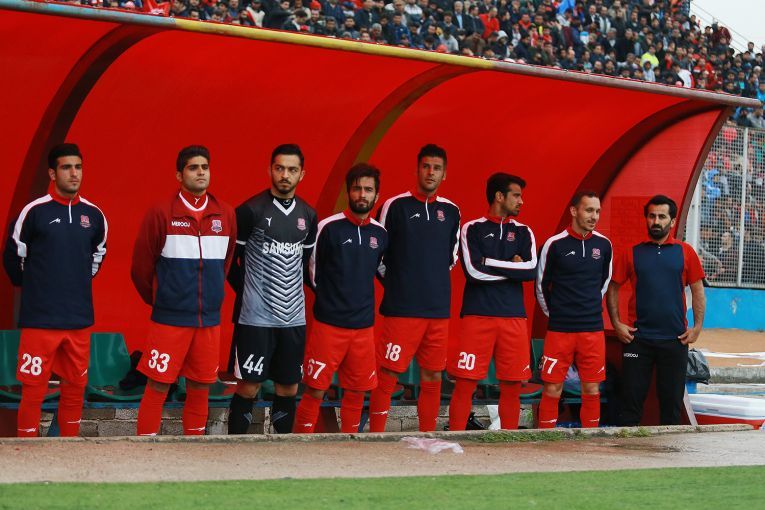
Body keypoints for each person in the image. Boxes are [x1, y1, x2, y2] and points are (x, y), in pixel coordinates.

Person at [3, 143, 107, 437]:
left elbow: (98, 256)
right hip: (40, 320)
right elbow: (13, 257)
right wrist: (38, 288)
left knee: (75, 388)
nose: (74, 174)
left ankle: (69, 450)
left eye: (78, 167)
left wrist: (73, 282)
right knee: (33, 389)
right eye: (66, 167)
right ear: (52, 173)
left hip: (78, 319)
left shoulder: (94, 215)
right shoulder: (34, 212)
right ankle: (27, 450)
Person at [131, 145, 236, 436]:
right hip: (170, 320)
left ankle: (195, 450)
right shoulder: (161, 212)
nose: (201, 172)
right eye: (193, 167)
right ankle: (145, 449)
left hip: (208, 320)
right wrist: (163, 299)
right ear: (179, 175)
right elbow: (140, 268)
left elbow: (225, 264)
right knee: (158, 384)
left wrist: (211, 297)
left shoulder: (226, 214)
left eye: (205, 167)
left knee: (201, 386)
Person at [368, 144, 460, 432]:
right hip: (401, 309)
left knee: (433, 376)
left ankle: (427, 434)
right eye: (426, 166)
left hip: (437, 310)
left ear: (444, 174)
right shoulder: (395, 206)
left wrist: (426, 280)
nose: (431, 172)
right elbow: (377, 256)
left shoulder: (452, 211)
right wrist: (400, 283)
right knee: (388, 373)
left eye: (437, 168)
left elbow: (450, 259)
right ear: (417, 169)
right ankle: (376, 436)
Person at [226, 144, 317, 434]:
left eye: (292, 170)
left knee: (289, 387)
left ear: (302, 174)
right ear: (270, 170)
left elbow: (305, 264)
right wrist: (250, 292)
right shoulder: (250, 210)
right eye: (279, 168)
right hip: (255, 320)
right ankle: (236, 448)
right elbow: (229, 263)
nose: (285, 175)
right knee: (248, 386)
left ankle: (283, 448)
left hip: (294, 319)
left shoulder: (308, 215)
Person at [293, 163, 388, 433]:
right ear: (348, 192)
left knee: (357, 391)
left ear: (376, 195)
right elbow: (311, 271)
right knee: (315, 389)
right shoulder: (328, 227)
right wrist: (332, 300)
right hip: (329, 325)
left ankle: (351, 445)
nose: (362, 194)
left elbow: (382, 270)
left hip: (363, 327)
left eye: (368, 189)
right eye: (357, 188)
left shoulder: (380, 234)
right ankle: (300, 443)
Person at [447, 173, 537, 431]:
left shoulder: (523, 231)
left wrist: (490, 262)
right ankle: (456, 437)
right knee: (465, 382)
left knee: (512, 385)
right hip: (478, 315)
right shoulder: (472, 229)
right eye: (516, 195)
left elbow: (531, 270)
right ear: (499, 196)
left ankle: (508, 440)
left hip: (514, 316)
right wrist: (512, 266)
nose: (521, 201)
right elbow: (473, 272)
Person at [606, 195, 706, 425]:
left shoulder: (686, 252)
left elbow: (698, 290)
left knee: (671, 406)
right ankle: (627, 447)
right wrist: (617, 323)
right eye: (652, 216)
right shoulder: (632, 252)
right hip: (638, 340)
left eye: (662, 216)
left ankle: (668, 447)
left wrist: (697, 327)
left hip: (675, 340)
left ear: (673, 221)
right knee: (630, 405)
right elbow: (612, 288)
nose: (656, 221)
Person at [535, 190, 612, 429]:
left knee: (592, 388)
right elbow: (541, 286)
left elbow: (603, 284)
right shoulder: (554, 244)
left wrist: (587, 307)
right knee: (552, 387)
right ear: (574, 211)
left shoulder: (604, 245)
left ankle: (590, 440)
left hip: (592, 330)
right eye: (589, 210)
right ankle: (545, 438)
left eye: (597, 211)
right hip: (560, 330)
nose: (594, 216)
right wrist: (557, 313)